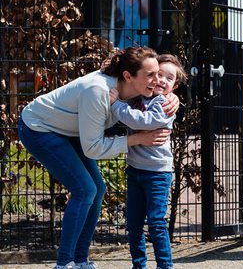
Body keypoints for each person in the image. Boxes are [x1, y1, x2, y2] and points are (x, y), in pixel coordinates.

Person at [18, 47, 178, 269]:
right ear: (128, 76)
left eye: (158, 74)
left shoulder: (137, 90)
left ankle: (81, 261)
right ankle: (64, 263)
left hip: (69, 130)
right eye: (150, 75)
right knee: (85, 190)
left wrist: (172, 96)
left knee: (97, 189)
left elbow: (160, 94)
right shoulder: (98, 91)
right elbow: (93, 148)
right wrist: (138, 139)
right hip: (39, 127)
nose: (156, 80)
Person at [109, 54, 187, 269]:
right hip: (134, 170)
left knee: (156, 223)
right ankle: (138, 265)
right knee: (133, 225)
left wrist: (116, 106)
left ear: (175, 85)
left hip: (157, 174)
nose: (161, 80)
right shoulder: (138, 98)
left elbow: (143, 121)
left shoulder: (164, 104)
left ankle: (165, 265)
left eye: (169, 78)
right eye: (158, 74)